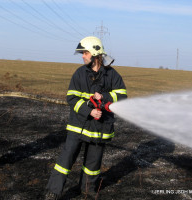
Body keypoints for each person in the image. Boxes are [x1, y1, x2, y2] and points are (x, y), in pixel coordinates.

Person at [45, 36, 127, 199]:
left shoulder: (113, 75)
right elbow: (72, 98)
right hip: (79, 125)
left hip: (100, 128)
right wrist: (88, 111)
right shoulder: (79, 74)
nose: (82, 56)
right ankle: (53, 192)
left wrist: (104, 97)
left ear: (95, 54)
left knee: (93, 164)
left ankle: (88, 190)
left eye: (85, 52)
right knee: (66, 159)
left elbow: (122, 96)